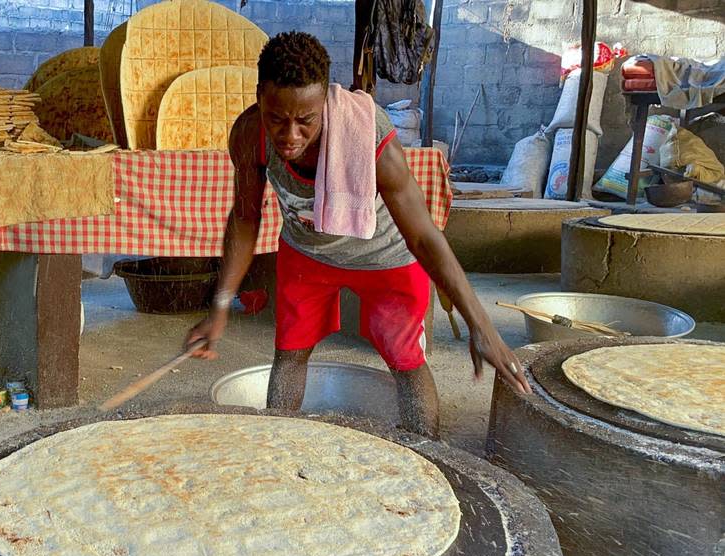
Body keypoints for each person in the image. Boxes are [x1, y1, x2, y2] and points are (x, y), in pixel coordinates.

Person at [186, 32, 531, 437]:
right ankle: (276, 445)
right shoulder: (248, 133)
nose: (290, 135)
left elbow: (423, 236)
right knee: (290, 354)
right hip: (308, 254)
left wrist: (481, 325)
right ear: (260, 95)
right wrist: (221, 304)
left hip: (386, 257)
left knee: (406, 362)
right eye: (277, 118)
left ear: (325, 105)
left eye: (306, 121)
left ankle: (429, 452)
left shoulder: (370, 136)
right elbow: (245, 218)